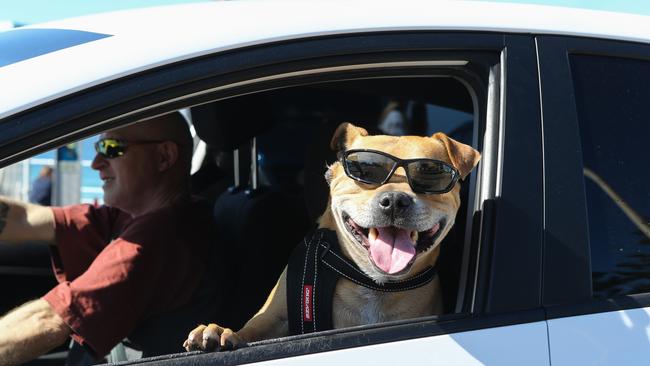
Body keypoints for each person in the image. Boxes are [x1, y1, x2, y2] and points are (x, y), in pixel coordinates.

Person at [0, 112, 219, 365]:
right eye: (98, 147)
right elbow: (25, 218)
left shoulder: (157, 239)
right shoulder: (131, 215)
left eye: (111, 147)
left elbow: (47, 322)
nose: (95, 163)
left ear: (164, 156)